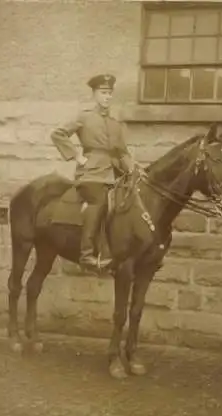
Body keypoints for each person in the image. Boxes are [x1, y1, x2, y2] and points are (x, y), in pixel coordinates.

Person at [51, 73, 134, 272]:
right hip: (91, 174)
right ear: (95, 94)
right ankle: (87, 254)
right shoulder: (84, 115)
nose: (107, 97)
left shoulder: (115, 121)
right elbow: (58, 134)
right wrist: (77, 157)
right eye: (103, 93)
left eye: (110, 93)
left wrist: (133, 168)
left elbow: (122, 151)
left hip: (114, 172)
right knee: (99, 200)